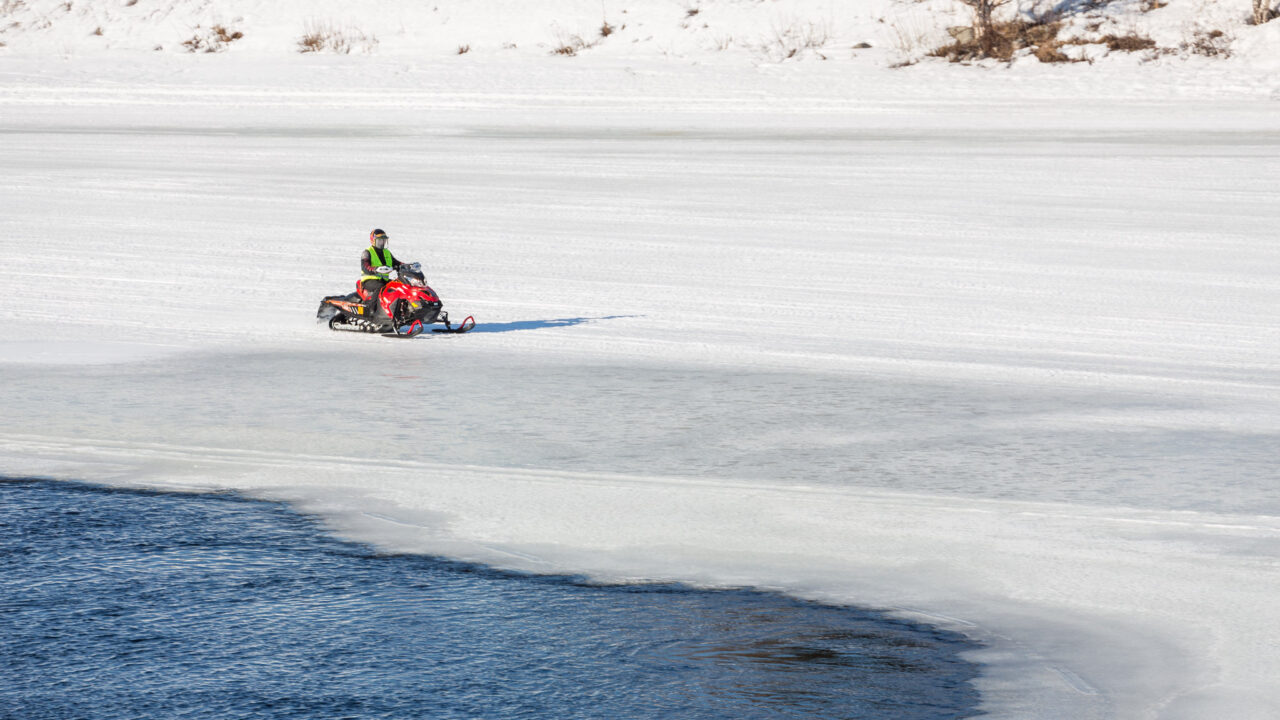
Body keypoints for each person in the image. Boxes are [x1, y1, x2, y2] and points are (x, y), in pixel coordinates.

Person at [360, 228, 401, 317]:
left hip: (383, 279)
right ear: (373, 241)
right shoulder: (367, 252)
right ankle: (371, 310)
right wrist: (374, 269)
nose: (382, 243)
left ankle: (397, 310)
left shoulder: (387, 252)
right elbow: (365, 266)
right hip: (370, 280)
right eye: (379, 241)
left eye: (384, 240)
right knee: (380, 287)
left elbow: (396, 262)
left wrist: (406, 266)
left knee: (398, 286)